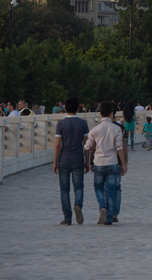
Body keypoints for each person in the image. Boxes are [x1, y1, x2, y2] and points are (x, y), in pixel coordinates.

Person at [84, 101, 127, 226]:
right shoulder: (116, 129)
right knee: (110, 190)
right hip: (112, 162)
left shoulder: (95, 130)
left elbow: (87, 146)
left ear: (100, 113)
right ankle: (109, 218)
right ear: (112, 113)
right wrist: (123, 164)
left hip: (98, 163)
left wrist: (89, 160)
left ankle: (102, 206)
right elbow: (120, 147)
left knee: (98, 188)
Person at [53, 96, 90, 225]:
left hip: (64, 158)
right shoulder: (83, 123)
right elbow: (86, 144)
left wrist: (55, 162)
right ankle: (78, 205)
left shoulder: (61, 124)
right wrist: (87, 161)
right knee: (78, 187)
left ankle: (67, 217)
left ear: (65, 107)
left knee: (64, 189)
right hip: (78, 158)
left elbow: (57, 145)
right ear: (78, 107)